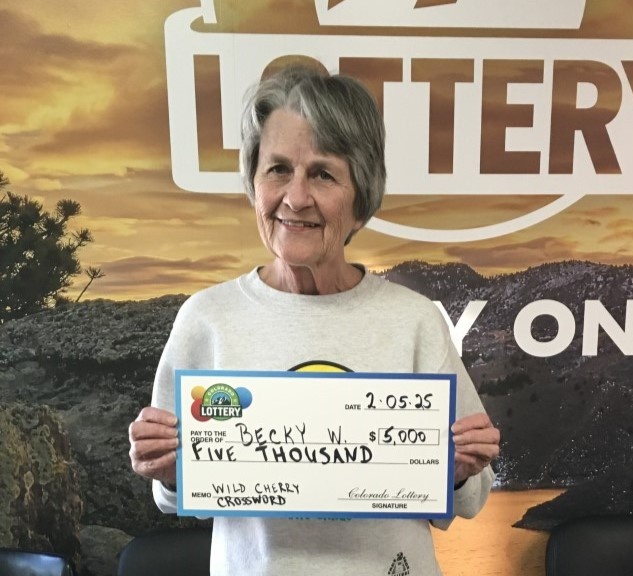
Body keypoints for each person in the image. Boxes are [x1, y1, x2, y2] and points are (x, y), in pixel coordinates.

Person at [129, 65, 500, 576]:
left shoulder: (412, 322)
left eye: (323, 173)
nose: (296, 197)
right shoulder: (207, 319)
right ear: (254, 182)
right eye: (277, 169)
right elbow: (171, 497)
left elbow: (471, 499)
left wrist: (459, 470)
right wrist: (167, 468)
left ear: (360, 197)